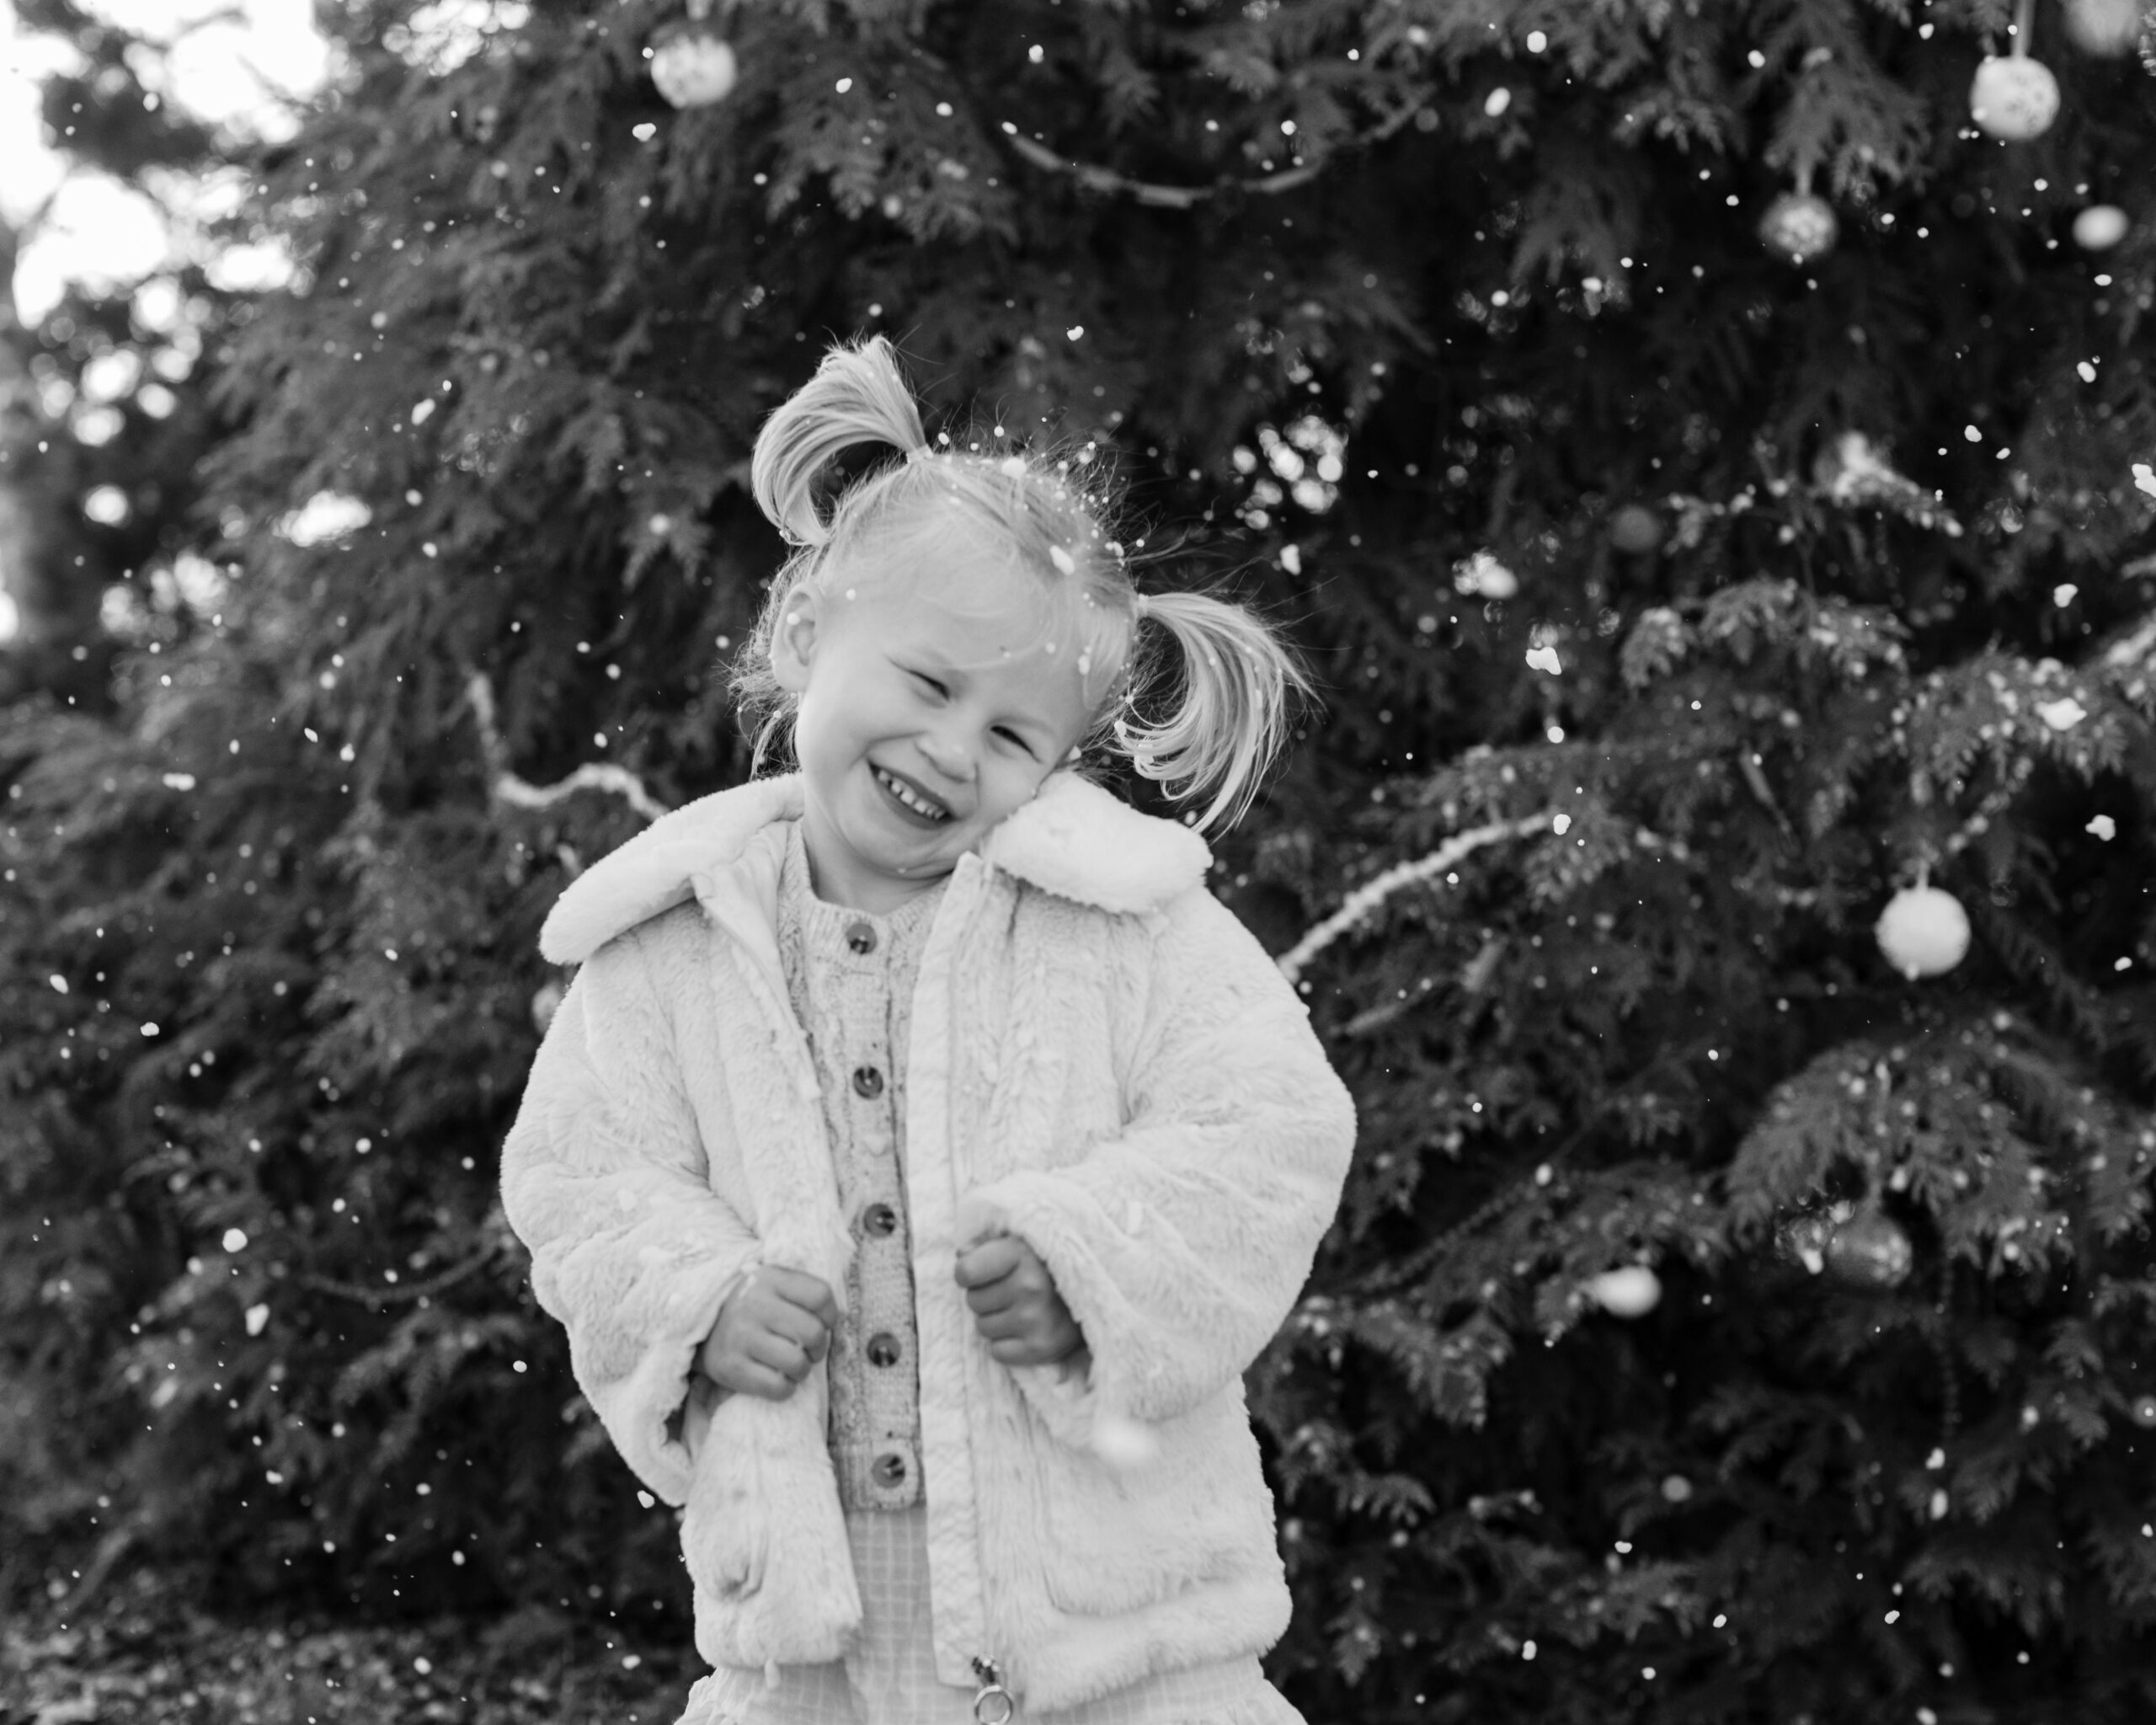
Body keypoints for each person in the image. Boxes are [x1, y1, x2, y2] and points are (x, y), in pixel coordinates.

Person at [499, 336, 1356, 1725]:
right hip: (815, 1633)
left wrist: (1090, 1259)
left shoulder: (1118, 920)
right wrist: (695, 1297)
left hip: (1115, 1629)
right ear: (803, 640)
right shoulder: (677, 938)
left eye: (1017, 735)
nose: (957, 750)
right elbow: (579, 1173)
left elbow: (1270, 1132)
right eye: (926, 684)